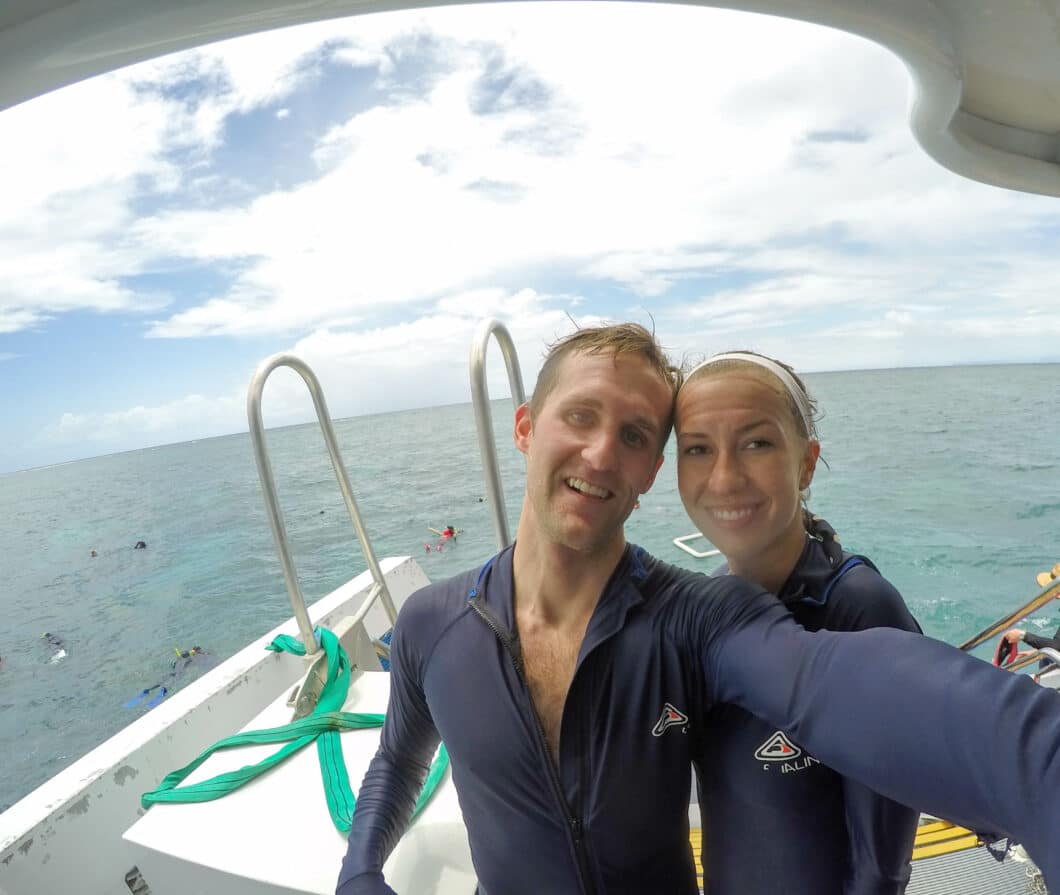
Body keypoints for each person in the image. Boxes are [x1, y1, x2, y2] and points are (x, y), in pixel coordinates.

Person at [337, 323, 1060, 895]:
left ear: (652, 467)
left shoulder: (696, 616)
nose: (598, 453)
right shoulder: (432, 623)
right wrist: (361, 866)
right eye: (580, 416)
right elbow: (400, 755)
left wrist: (1035, 758)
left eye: (634, 435)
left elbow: (822, 680)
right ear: (525, 427)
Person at [675, 351, 921, 895]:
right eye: (697, 449)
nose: (724, 477)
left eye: (757, 443)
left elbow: (882, 862)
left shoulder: (861, 610)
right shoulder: (705, 612)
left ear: (806, 463)